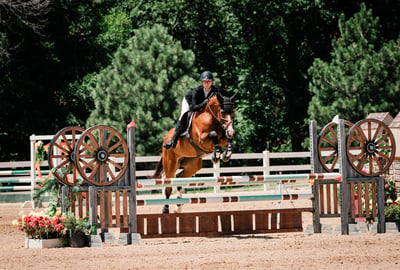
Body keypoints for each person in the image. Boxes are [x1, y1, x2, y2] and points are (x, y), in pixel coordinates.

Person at [163, 71, 219, 149]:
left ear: (212, 82)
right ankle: (173, 140)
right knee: (184, 116)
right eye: (205, 82)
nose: (206, 84)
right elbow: (193, 107)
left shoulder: (215, 91)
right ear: (202, 82)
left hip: (202, 106)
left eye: (208, 82)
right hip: (189, 103)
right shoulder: (196, 92)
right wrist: (203, 103)